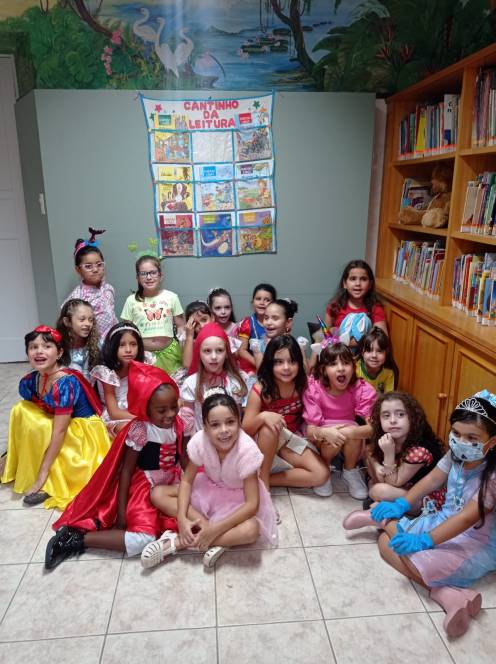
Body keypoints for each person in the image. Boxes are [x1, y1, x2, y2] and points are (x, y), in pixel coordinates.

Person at [340, 390, 496, 638]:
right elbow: (433, 479)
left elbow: (467, 518)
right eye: (456, 433)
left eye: (471, 437)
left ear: (492, 442)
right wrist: (402, 504)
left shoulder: (492, 476)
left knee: (412, 556)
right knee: (385, 543)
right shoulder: (455, 454)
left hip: (475, 541)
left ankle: (384, 520)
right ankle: (447, 595)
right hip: (443, 520)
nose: (460, 441)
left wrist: (425, 540)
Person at [44, 361, 183, 569]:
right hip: (145, 487)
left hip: (171, 483)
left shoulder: (179, 424)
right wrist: (121, 514)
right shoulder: (141, 430)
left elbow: (184, 458)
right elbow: (126, 471)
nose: (170, 414)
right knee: (143, 539)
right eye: (162, 410)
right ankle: (76, 539)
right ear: (146, 408)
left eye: (173, 407)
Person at [140, 390, 278, 569]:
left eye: (230, 422)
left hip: (239, 499)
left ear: (239, 422)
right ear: (205, 427)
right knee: (158, 493)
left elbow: (252, 505)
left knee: (252, 530)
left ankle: (178, 543)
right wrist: (181, 519)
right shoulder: (200, 441)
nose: (224, 430)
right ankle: (219, 538)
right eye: (215, 425)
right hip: (209, 488)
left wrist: (216, 529)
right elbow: (187, 481)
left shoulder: (247, 451)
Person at [0, 325, 110, 509]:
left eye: (46, 346)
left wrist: (41, 475)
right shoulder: (31, 380)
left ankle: (48, 478)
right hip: (62, 426)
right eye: (33, 347)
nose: (39, 351)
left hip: (82, 434)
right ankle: (16, 461)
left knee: (40, 424)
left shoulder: (65, 383)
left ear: (59, 353)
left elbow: (59, 431)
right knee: (22, 410)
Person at [243, 335, 329, 492]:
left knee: (321, 474)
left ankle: (262, 480)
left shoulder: (303, 385)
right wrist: (263, 416)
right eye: (279, 362)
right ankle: (263, 485)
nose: (286, 367)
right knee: (269, 427)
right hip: (262, 442)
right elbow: (246, 429)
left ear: (299, 363)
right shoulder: (260, 389)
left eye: (292, 361)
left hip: (289, 440)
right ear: (270, 363)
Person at [344, 391, 444, 509]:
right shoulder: (388, 436)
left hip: (425, 498)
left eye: (400, 414)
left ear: (412, 417)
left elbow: (393, 483)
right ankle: (382, 504)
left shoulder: (419, 451)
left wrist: (388, 455)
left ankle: (382, 504)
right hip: (402, 485)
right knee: (375, 472)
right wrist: (377, 466)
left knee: (379, 490)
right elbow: (369, 450)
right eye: (386, 416)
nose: (392, 420)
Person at [303, 342, 376, 499]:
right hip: (323, 440)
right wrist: (326, 433)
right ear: (323, 370)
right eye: (333, 364)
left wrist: (348, 432)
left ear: (353, 367)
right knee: (333, 438)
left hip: (352, 439)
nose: (341, 368)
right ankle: (325, 468)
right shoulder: (314, 389)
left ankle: (350, 470)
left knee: (355, 432)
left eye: (346, 363)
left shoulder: (361, 389)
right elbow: (310, 431)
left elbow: (373, 429)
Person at [120, 254, 185, 375]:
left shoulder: (172, 297)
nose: (149, 277)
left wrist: (184, 340)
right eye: (144, 274)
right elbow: (126, 331)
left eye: (153, 272)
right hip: (143, 355)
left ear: (161, 276)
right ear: (137, 278)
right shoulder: (131, 300)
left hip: (169, 354)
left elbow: (181, 326)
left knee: (171, 384)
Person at [180, 323, 247, 435]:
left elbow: (237, 419)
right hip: (202, 440)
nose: (214, 357)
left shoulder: (234, 382)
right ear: (199, 353)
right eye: (207, 351)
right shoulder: (191, 383)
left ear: (226, 353)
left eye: (219, 350)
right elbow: (188, 420)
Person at [90, 322, 148, 436]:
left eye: (133, 344)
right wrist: (144, 418)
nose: (128, 350)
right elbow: (114, 413)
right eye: (122, 345)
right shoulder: (107, 372)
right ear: (113, 346)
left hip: (137, 411)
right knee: (133, 428)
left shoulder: (144, 364)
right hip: (116, 417)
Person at [63, 228, 118, 341]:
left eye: (99, 264)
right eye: (88, 266)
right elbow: (66, 321)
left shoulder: (109, 288)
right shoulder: (78, 297)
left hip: (113, 340)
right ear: (78, 270)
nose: (95, 269)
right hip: (93, 345)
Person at [324, 260, 387, 345]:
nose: (358, 283)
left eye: (363, 279)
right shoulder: (334, 306)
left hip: (364, 352)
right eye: (353, 279)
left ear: (370, 284)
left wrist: (352, 342)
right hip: (338, 352)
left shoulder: (375, 309)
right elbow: (324, 336)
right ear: (345, 283)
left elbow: (382, 341)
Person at [237, 283, 277, 373]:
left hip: (274, 366)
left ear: (274, 304)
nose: (262, 303)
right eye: (258, 299)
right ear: (252, 302)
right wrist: (258, 364)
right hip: (253, 366)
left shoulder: (277, 323)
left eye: (267, 300)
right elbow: (241, 350)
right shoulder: (247, 323)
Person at [56, 299, 99, 379]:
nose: (88, 324)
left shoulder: (98, 345)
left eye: (91, 320)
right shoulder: (56, 347)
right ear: (67, 321)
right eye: (82, 319)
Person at [356, 327, 398, 393]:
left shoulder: (388, 373)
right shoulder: (355, 369)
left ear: (386, 353)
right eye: (369, 350)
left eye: (379, 351)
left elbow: (388, 397)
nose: (374, 355)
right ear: (362, 352)